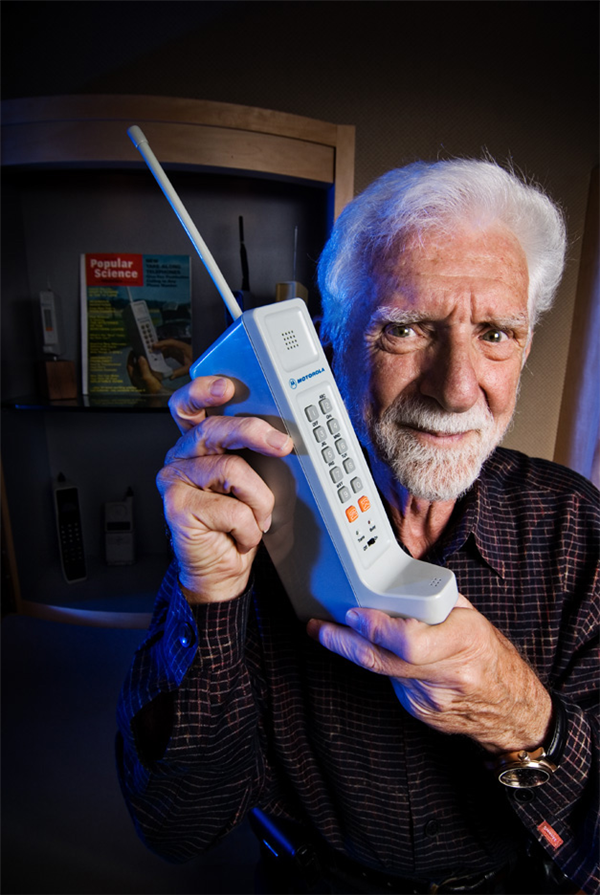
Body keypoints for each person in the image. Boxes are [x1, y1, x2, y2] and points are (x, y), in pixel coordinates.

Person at [116, 159, 599, 895]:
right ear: (330, 340)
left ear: (525, 348)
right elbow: (178, 827)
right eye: (404, 329)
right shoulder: (241, 521)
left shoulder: (577, 529)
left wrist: (521, 716)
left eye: (496, 333)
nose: (457, 389)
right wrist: (208, 595)